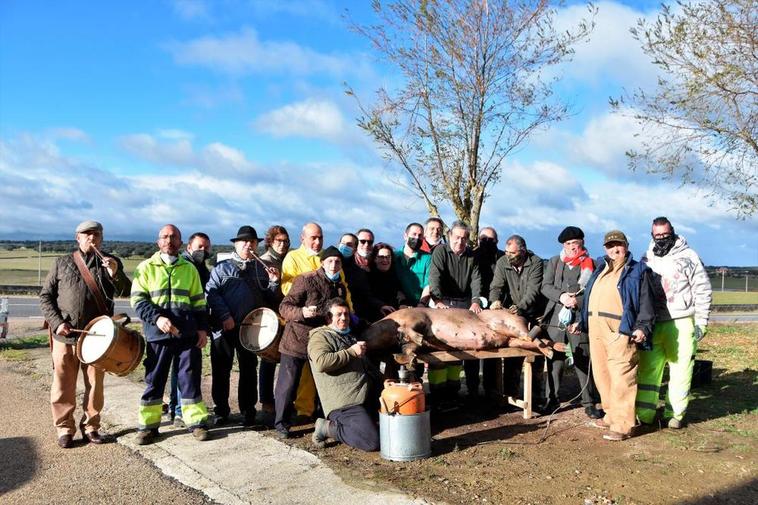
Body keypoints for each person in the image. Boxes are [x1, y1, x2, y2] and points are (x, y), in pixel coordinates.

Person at [39, 220, 131, 448]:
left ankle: (91, 426)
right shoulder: (62, 263)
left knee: (95, 385)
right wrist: (57, 323)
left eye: (96, 234)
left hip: (98, 339)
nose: (92, 238)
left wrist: (115, 273)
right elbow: (45, 296)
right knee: (63, 384)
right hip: (65, 336)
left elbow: (126, 291)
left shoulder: (111, 262)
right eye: (87, 234)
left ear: (101, 237)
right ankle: (64, 429)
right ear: (77, 237)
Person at [570, 230, 655, 442]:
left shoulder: (638, 270)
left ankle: (623, 424)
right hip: (596, 329)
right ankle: (610, 414)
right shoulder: (600, 269)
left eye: (619, 245)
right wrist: (582, 321)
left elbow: (646, 302)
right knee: (602, 374)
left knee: (622, 377)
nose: (615, 249)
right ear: (605, 249)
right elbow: (590, 298)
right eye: (610, 246)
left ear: (626, 246)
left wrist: (643, 327)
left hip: (620, 330)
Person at [131, 224, 211, 445]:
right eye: (164, 237)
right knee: (155, 380)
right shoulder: (146, 267)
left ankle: (196, 423)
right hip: (158, 334)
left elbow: (198, 303)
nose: (169, 240)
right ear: (158, 242)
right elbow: (138, 300)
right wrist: (157, 318)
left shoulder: (189, 269)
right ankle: (148, 427)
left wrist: (202, 329)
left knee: (190, 380)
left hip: (187, 335)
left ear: (180, 242)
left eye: (173, 237)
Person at [636, 216, 712, 429]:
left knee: (681, 371)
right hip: (654, 323)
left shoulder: (689, 256)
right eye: (657, 235)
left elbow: (702, 289)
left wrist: (702, 321)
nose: (661, 238)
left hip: (681, 321)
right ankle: (645, 414)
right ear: (652, 234)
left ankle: (675, 415)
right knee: (648, 371)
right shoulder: (647, 257)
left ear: (673, 232)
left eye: (665, 235)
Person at [205, 226, 281, 426]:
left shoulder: (262, 269)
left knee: (249, 369)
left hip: (250, 329)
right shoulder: (222, 268)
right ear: (236, 244)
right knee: (221, 369)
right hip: (223, 327)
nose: (249, 245)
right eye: (244, 241)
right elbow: (211, 294)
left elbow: (270, 299)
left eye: (253, 242)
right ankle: (221, 410)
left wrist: (274, 283)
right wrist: (224, 315)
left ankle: (248, 410)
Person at [274, 246, 353, 438]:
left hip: (323, 342)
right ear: (322, 263)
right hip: (296, 340)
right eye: (330, 261)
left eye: (337, 262)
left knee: (325, 381)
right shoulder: (305, 279)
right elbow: (284, 307)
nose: (334, 265)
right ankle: (281, 423)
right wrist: (301, 312)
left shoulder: (340, 286)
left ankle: (324, 416)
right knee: (288, 384)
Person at [541, 226, 602, 419]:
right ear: (563, 245)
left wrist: (578, 301)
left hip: (578, 320)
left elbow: (594, 292)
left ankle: (589, 402)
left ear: (582, 243)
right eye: (568, 244)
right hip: (556, 319)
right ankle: (552, 400)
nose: (572, 247)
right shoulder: (554, 262)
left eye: (575, 243)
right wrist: (562, 297)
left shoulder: (590, 264)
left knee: (583, 359)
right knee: (554, 360)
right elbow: (545, 287)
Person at [309, 298, 380, 452]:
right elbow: (321, 362)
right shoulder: (320, 337)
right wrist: (351, 352)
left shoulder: (349, 335)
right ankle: (327, 428)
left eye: (346, 314)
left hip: (364, 395)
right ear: (329, 318)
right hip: (344, 402)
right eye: (338, 315)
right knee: (371, 441)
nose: (343, 318)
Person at [428, 221, 482, 407]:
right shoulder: (441, 252)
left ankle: (460, 390)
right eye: (457, 237)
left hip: (464, 304)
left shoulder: (471, 256)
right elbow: (435, 276)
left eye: (464, 238)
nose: (460, 241)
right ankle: (437, 394)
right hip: (443, 302)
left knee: (467, 347)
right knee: (441, 348)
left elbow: (476, 279)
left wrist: (476, 301)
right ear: (450, 236)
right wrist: (437, 300)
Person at [488, 235, 547, 408]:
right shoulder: (502, 262)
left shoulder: (535, 263)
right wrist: (494, 300)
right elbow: (496, 285)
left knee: (536, 356)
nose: (509, 255)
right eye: (506, 252)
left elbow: (533, 291)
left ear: (522, 250)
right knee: (513, 355)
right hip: (516, 313)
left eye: (512, 253)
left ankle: (537, 398)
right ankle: (510, 395)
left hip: (536, 314)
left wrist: (520, 307)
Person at [280, 222, 326, 422]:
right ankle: (287, 414)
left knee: (312, 371)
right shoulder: (293, 258)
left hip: (322, 324)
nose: (317, 242)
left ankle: (306, 410)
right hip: (299, 322)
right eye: (313, 238)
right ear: (303, 238)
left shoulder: (325, 258)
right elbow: (287, 288)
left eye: (320, 238)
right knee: (291, 375)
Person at [168, 231, 212, 427]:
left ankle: (175, 407)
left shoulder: (203, 268)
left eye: (206, 247)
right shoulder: (185, 266)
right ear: (188, 247)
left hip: (194, 325)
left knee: (181, 369)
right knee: (183, 370)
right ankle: (179, 411)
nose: (203, 250)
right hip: (180, 325)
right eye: (199, 246)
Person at [466, 227, 503, 400]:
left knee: (492, 348)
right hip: (474, 306)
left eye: (491, 239)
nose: (487, 242)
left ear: (497, 241)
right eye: (483, 238)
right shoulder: (472, 256)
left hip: (495, 306)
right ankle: (472, 388)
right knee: (472, 346)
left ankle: (491, 389)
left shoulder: (502, 257)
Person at [258, 225, 290, 419]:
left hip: (287, 316)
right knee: (268, 360)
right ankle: (266, 400)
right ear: (270, 242)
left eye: (286, 241)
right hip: (271, 315)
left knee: (286, 360)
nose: (283, 244)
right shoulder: (264, 262)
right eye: (279, 241)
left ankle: (283, 398)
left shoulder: (287, 260)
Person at [341, 229, 386, 322]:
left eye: (370, 242)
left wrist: (381, 305)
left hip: (371, 312)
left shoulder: (376, 262)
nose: (366, 245)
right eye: (362, 241)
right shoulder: (343, 263)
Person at [394, 222, 432, 307]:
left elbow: (428, 284)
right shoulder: (394, 257)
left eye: (420, 235)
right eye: (414, 234)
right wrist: (402, 302)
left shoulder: (428, 258)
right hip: (397, 305)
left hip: (421, 306)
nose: (417, 238)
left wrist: (421, 303)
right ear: (405, 236)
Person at [368, 242, 404, 317]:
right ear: (375, 259)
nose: (385, 260)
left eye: (388, 257)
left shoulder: (394, 275)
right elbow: (366, 296)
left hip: (395, 314)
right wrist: (380, 306)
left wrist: (402, 304)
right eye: (381, 257)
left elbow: (399, 293)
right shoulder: (367, 276)